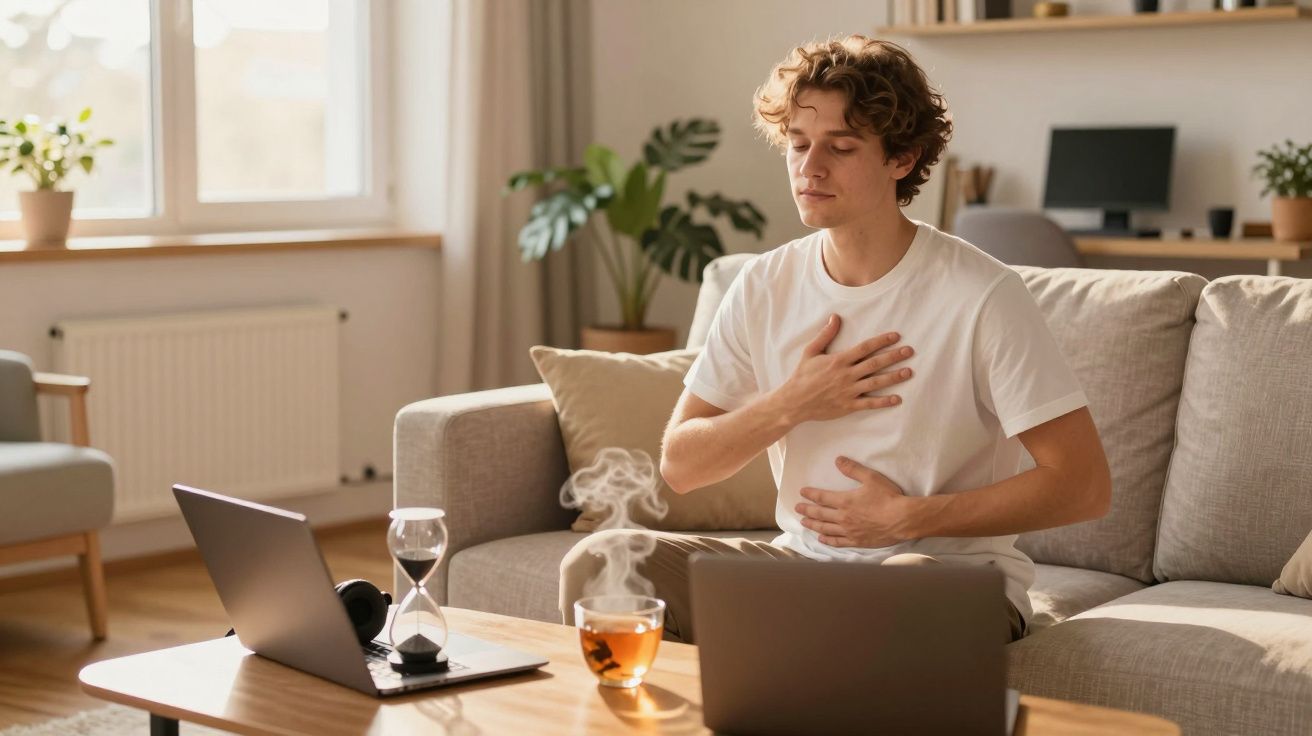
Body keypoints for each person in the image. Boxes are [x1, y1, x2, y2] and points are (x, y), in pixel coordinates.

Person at [559, 35, 1111, 644]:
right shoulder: (763, 284)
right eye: (798, 145)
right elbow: (682, 464)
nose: (809, 168)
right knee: (598, 565)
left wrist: (911, 518)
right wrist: (791, 403)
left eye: (840, 148)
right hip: (802, 568)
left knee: (896, 589)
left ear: (902, 158)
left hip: (944, 576)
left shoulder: (982, 295)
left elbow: (1082, 484)